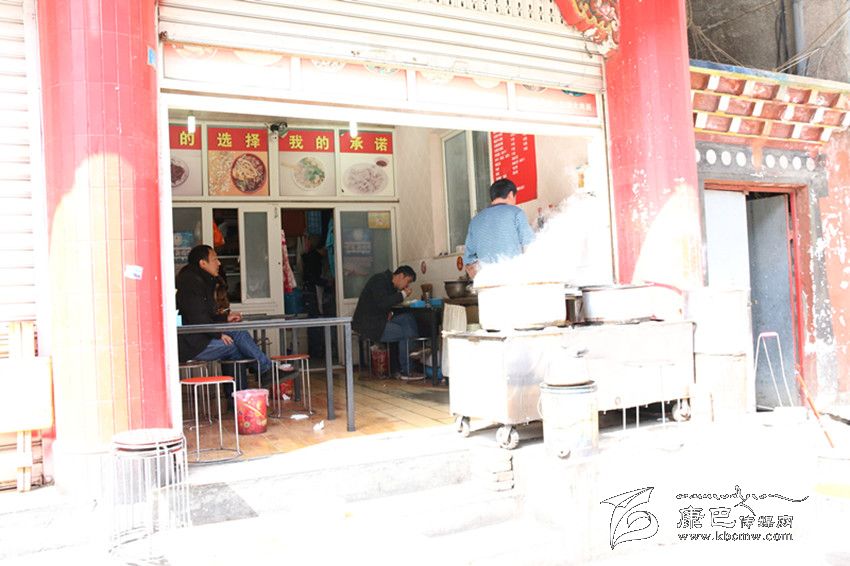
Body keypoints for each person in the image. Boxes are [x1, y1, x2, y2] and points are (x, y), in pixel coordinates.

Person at [176, 244, 289, 388]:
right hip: (192, 344)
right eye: (215, 259)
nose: (219, 263)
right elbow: (197, 318)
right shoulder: (191, 283)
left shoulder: (200, 279)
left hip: (200, 337)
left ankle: (244, 389)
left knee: (237, 333)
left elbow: (205, 315)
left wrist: (225, 319)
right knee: (235, 345)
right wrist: (218, 334)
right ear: (202, 263)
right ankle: (264, 372)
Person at [352, 266, 419, 377]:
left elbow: (382, 304)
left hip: (379, 319)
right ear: (401, 276)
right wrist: (403, 294)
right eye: (408, 282)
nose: (407, 286)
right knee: (405, 333)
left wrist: (390, 312)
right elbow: (382, 303)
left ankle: (413, 351)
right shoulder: (379, 280)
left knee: (408, 318)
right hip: (370, 324)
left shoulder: (390, 284)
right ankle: (407, 370)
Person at [462, 178, 535, 278]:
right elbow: (530, 247)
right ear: (511, 194)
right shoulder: (516, 212)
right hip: (514, 278)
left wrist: (481, 278)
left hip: (486, 281)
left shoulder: (475, 221)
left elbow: (468, 260)